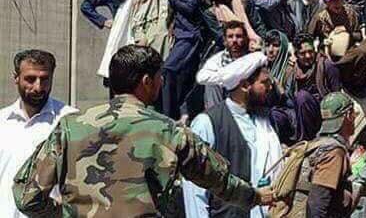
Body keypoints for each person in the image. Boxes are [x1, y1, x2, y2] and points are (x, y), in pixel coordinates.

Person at [13, 45, 272, 216]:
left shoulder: (69, 127)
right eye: (160, 77)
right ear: (147, 81)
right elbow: (220, 181)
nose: (162, 83)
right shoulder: (169, 131)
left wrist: (67, 214)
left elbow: (27, 197)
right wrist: (256, 196)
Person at [183, 52, 283, 218]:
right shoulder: (208, 123)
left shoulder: (265, 120)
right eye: (264, 82)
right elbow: (194, 190)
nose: (270, 87)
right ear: (245, 85)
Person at [0, 50, 76, 218]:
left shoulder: (70, 121)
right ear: (16, 78)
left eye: (44, 79)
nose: (38, 87)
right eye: (30, 79)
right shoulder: (2, 122)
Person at [303, 92, 366, 218]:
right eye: (353, 113)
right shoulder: (333, 152)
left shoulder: (318, 144)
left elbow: (341, 190)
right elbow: (317, 205)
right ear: (348, 116)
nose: (355, 117)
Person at [162, 0, 205, 121]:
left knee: (168, 70)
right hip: (181, 36)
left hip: (189, 36)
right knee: (181, 77)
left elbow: (190, 8)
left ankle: (168, 115)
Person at [197, 20, 252, 109]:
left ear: (245, 38)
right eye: (230, 37)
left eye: (238, 36)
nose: (234, 40)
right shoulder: (217, 62)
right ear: (225, 40)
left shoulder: (252, 60)